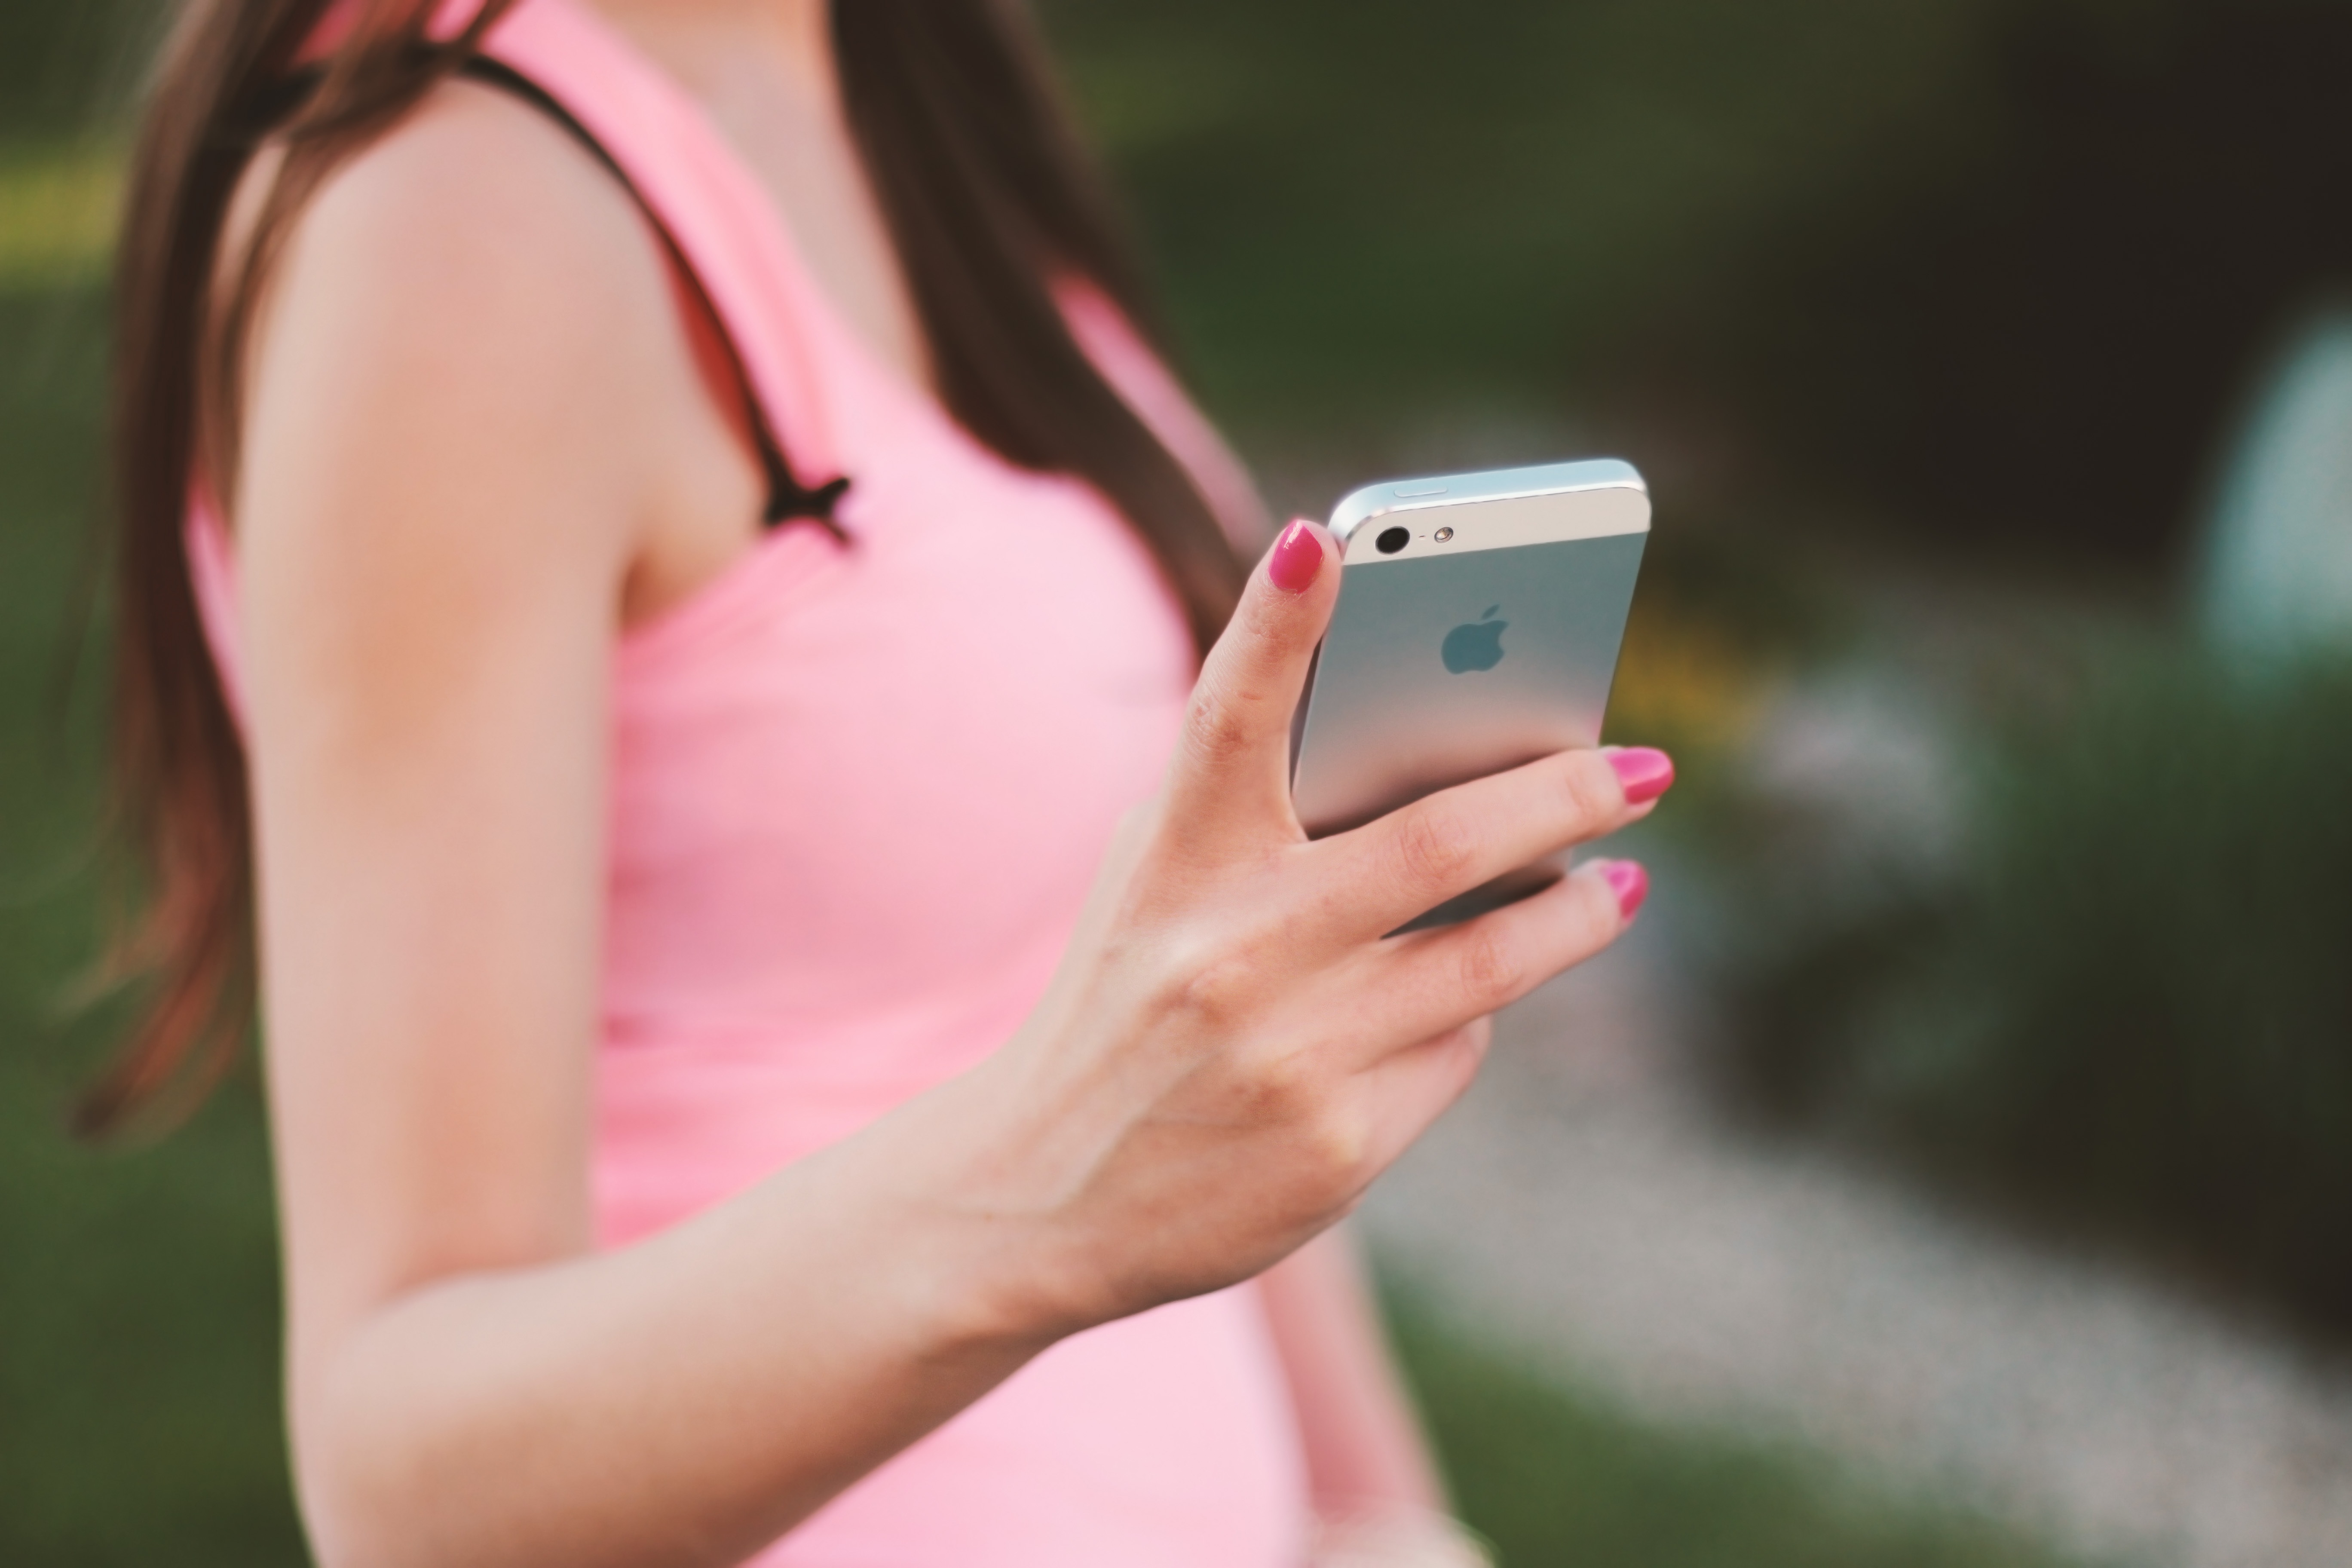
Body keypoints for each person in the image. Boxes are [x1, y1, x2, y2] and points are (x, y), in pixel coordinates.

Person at [96, 0, 1675, 1563]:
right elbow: (403, 1484)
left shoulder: (901, 81)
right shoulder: (458, 222)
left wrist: (1381, 1511)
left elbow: (1167, 1013)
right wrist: (1041, 1198)